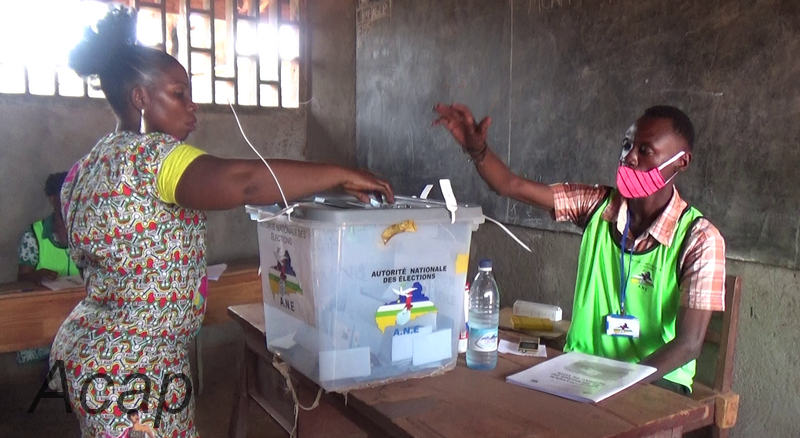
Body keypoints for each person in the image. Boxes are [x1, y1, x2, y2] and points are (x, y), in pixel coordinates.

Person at [50, 7, 394, 438]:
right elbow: (245, 183)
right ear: (140, 98)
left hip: (94, 349)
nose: (192, 106)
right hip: (136, 369)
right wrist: (340, 173)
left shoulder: (84, 168)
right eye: (178, 94)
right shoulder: (154, 157)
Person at [433, 103, 725, 395]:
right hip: (581, 369)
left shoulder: (698, 238)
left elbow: (689, 344)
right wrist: (478, 150)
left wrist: (619, 385)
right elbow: (510, 185)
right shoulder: (598, 205)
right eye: (626, 146)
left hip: (654, 383)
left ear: (681, 162)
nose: (629, 158)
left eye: (645, 150)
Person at [17, 171, 80, 284]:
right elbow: (22, 278)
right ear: (53, 199)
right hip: (48, 300)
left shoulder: (89, 231)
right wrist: (36, 275)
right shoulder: (34, 235)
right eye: (67, 196)